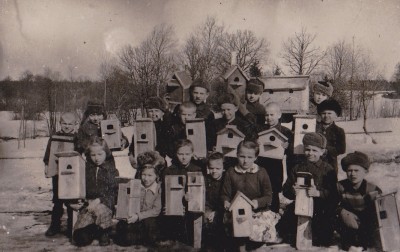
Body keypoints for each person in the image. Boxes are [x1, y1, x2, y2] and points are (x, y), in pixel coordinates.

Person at [279, 132, 337, 246]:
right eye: (307, 149)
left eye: (314, 150)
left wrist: (319, 193)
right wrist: (292, 190)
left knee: (323, 239)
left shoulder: (328, 169)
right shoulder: (297, 167)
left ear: (322, 151)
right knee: (289, 233)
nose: (310, 153)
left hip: (320, 208)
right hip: (300, 207)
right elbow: (286, 190)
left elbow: (334, 194)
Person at [221, 140, 276, 251]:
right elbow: (224, 194)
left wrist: (257, 202)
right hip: (238, 210)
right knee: (239, 225)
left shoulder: (261, 172)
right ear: (236, 155)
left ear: (255, 157)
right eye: (242, 156)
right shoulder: (231, 172)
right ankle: (241, 247)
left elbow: (268, 196)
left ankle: (258, 246)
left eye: (250, 157)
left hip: (258, 211)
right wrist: (226, 202)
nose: (245, 161)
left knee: (260, 229)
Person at [70, 137, 119, 247]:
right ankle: (94, 228)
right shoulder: (85, 169)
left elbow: (113, 191)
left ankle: (104, 231)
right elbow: (79, 187)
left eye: (100, 154)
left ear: (106, 153)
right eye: (93, 155)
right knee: (79, 238)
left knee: (101, 212)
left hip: (105, 204)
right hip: (88, 205)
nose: (97, 158)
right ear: (89, 155)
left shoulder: (111, 170)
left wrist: (99, 200)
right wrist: (80, 200)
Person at [114, 151, 165, 246]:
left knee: (151, 232)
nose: (146, 178)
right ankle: (136, 237)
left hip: (148, 218)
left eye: (150, 175)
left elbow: (156, 210)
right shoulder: (134, 184)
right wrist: (123, 210)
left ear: (156, 176)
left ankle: (142, 238)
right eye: (144, 175)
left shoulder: (158, 188)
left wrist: (138, 216)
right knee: (124, 236)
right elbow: (123, 196)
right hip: (133, 218)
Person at [336, 151, 382, 251]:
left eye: (357, 170)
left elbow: (379, 210)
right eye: (349, 170)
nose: (353, 174)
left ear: (365, 172)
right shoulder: (340, 186)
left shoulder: (373, 189)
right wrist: (342, 212)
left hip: (366, 222)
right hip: (347, 221)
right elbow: (331, 204)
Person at [160, 139, 203, 245]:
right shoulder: (168, 171)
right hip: (173, 209)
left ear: (192, 154)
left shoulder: (197, 170)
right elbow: (164, 193)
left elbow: (199, 191)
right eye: (180, 154)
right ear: (176, 154)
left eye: (187, 154)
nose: (184, 157)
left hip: (190, 209)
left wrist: (191, 196)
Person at [43, 112, 78, 237]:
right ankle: (55, 226)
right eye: (64, 123)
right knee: (57, 201)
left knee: (71, 201)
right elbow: (48, 154)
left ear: (75, 124)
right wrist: (47, 166)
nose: (67, 126)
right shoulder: (54, 137)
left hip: (72, 175)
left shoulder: (77, 138)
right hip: (57, 174)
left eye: (70, 124)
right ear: (60, 124)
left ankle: (71, 226)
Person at [256, 102, 293, 213]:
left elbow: (291, 150)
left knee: (274, 189)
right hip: (262, 163)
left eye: (272, 115)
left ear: (279, 115)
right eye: (267, 115)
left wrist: (288, 146)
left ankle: (274, 214)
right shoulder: (260, 130)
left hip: (276, 165)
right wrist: (256, 143)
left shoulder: (285, 131)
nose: (269, 118)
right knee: (261, 187)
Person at [128, 97, 171, 170]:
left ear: (162, 113)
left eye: (156, 111)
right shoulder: (142, 127)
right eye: (151, 111)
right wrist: (132, 158)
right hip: (143, 163)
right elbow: (133, 145)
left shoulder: (164, 127)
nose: (153, 114)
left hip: (159, 163)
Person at [203, 152, 226, 250]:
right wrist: (207, 211)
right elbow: (204, 199)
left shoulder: (226, 180)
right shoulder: (206, 180)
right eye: (211, 168)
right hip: (208, 209)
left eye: (218, 168)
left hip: (222, 210)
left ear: (223, 168)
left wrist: (217, 212)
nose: (214, 171)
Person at [316, 99, 346, 173]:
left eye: (329, 113)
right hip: (314, 161)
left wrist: (326, 149)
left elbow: (341, 149)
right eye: (323, 113)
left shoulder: (339, 131)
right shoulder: (314, 127)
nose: (326, 116)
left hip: (330, 163)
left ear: (335, 115)